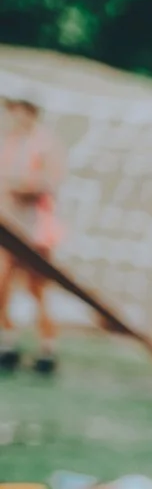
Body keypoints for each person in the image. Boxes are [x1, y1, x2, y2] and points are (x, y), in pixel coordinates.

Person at [0, 96, 66, 376]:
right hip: (8, 226)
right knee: (1, 285)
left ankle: (47, 346)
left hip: (34, 228)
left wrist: (24, 186)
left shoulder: (45, 143)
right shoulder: (8, 142)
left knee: (36, 290)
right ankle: (7, 342)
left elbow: (51, 181)